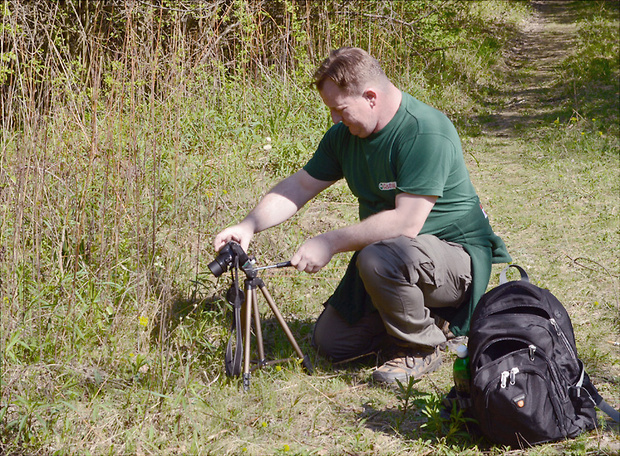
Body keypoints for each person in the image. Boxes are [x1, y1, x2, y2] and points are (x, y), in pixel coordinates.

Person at [213, 47, 511, 383]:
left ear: (371, 97)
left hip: (454, 260)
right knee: (332, 343)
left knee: (377, 258)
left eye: (339, 109)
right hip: (396, 257)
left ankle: (420, 348)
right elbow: (299, 186)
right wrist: (248, 225)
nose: (335, 120)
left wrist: (328, 242)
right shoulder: (345, 136)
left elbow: (406, 222)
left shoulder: (424, 131)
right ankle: (428, 318)